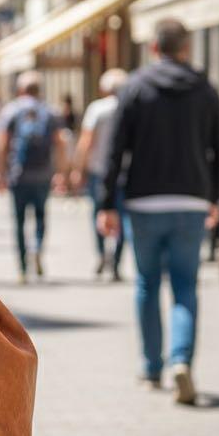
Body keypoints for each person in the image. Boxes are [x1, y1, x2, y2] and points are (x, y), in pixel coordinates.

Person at [98, 19, 219, 404]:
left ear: (154, 48)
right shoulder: (205, 89)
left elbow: (116, 149)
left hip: (144, 199)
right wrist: (214, 198)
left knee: (148, 284)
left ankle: (152, 367)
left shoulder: (135, 87)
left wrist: (106, 203)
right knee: (185, 284)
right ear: (186, 49)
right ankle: (180, 360)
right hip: (191, 198)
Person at [0, 70, 69, 283]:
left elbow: (2, 144)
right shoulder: (50, 112)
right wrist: (61, 173)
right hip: (43, 174)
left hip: (19, 174)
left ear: (20, 89)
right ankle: (37, 249)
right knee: (41, 217)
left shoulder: (11, 111)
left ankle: (23, 268)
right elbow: (61, 144)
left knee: (19, 220)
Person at [70, 68, 129, 280]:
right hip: (123, 172)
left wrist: (79, 169)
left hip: (98, 171)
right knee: (121, 216)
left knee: (98, 213)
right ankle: (117, 261)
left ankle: (102, 253)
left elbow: (86, 141)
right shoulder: (129, 107)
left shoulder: (97, 109)